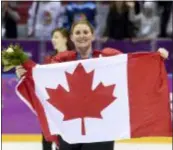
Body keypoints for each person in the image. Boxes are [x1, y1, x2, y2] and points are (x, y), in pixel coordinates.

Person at [15, 20, 169, 150]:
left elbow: (132, 67)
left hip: (101, 131)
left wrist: (156, 57)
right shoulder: (61, 60)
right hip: (69, 131)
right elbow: (42, 78)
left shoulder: (108, 56)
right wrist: (25, 74)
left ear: (93, 35)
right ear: (72, 38)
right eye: (78, 33)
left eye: (85, 32)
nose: (82, 36)